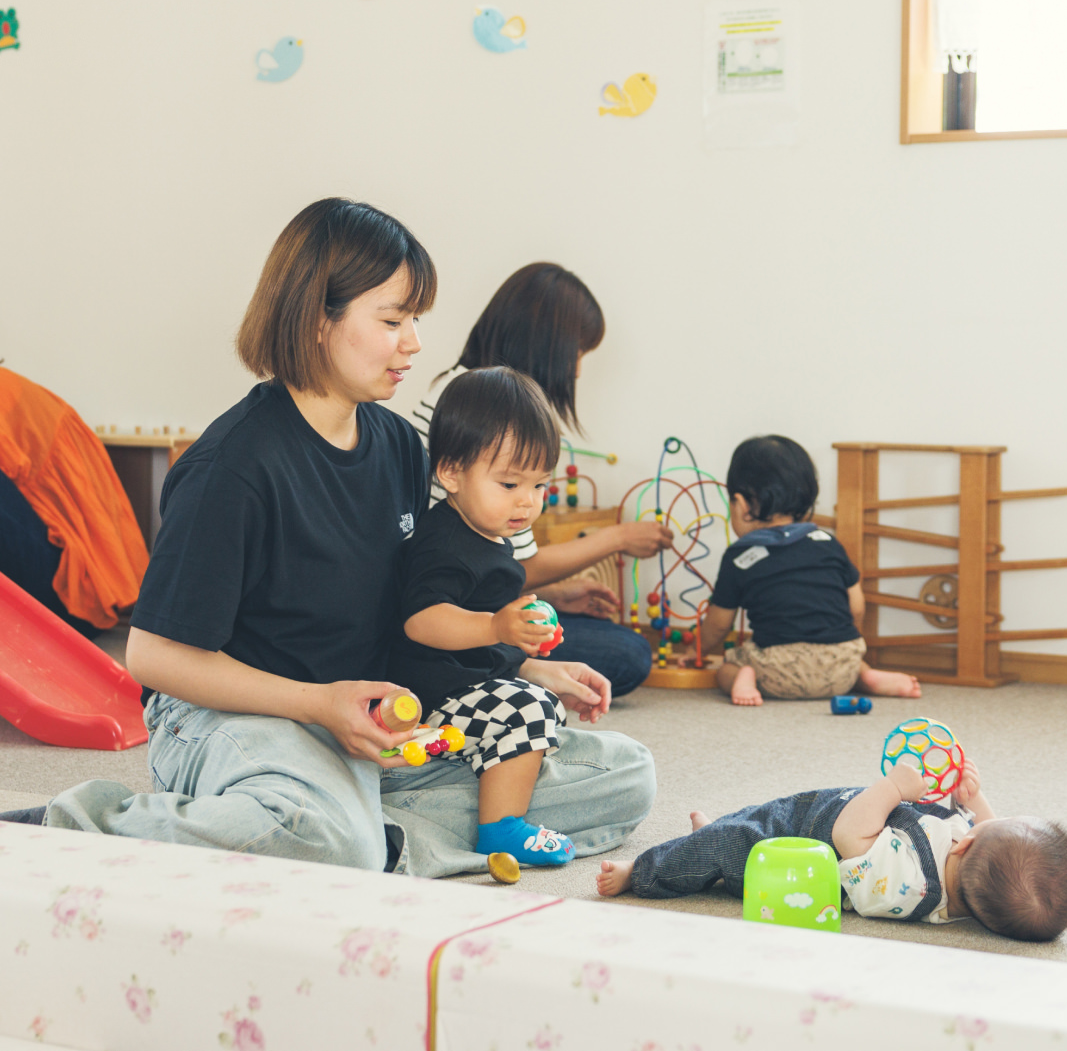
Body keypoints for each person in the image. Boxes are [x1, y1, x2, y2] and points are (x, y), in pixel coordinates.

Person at [1, 199, 656, 877]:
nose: (414, 342)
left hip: (365, 716)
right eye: (393, 320)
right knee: (330, 837)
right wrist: (318, 704)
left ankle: (365, 833)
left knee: (623, 774)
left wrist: (520, 667)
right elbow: (154, 656)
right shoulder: (234, 466)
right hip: (237, 714)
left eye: (416, 320)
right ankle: (77, 828)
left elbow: (412, 611)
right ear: (319, 319)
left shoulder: (400, 447)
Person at [410, 262, 672, 697]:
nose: (578, 370)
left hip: (478, 600)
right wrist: (618, 538)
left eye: (539, 485)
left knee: (605, 642)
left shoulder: (461, 391)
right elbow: (514, 565)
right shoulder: (478, 412)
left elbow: (499, 563)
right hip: (454, 620)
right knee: (628, 653)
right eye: (578, 352)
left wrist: (555, 593)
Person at [393, 367, 580, 867]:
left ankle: (480, 783)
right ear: (451, 473)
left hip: (466, 683)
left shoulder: (490, 536)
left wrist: (526, 648)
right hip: (430, 697)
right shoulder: (443, 541)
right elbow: (421, 621)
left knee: (546, 708)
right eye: (509, 483)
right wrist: (496, 627)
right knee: (529, 710)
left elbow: (488, 638)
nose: (527, 501)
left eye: (540, 485)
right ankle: (500, 829)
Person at [596, 756, 1067, 942]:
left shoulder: (909, 884)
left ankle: (643, 871)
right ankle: (712, 843)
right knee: (746, 820)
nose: (988, 819)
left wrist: (893, 788)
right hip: (816, 811)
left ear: (966, 847)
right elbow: (988, 830)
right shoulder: (970, 867)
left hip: (799, 849)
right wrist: (972, 797)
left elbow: (850, 837)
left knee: (733, 842)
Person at [702, 435, 921, 706]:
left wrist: (696, 650)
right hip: (840, 670)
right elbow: (856, 607)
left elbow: (719, 624)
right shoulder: (828, 543)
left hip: (777, 672)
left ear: (742, 504)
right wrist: (840, 642)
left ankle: (743, 679)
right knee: (851, 660)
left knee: (727, 668)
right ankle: (866, 676)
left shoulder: (738, 557)